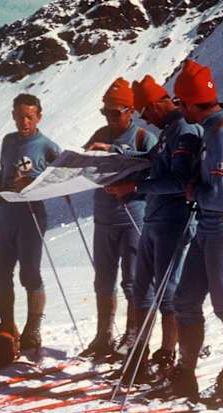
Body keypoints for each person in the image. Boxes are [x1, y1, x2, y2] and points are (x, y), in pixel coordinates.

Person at [148, 60, 223, 409]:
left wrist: (193, 192)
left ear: (193, 102)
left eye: (181, 104)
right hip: (211, 225)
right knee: (185, 299)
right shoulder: (213, 129)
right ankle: (186, 374)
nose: (180, 110)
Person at [104, 75, 202, 381]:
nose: (145, 117)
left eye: (146, 110)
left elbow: (178, 180)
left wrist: (135, 186)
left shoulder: (184, 130)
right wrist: (121, 154)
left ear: (161, 103)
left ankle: (167, 352)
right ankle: (140, 354)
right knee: (142, 287)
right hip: (154, 218)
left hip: (173, 221)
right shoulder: (167, 132)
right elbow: (154, 160)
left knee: (166, 291)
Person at [79, 77, 157, 359]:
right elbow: (84, 165)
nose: (110, 118)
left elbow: (155, 160)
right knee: (103, 280)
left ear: (130, 111)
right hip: (103, 218)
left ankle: (132, 334)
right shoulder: (100, 133)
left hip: (134, 218)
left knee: (133, 281)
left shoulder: (142, 137)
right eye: (106, 112)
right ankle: (103, 336)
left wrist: (114, 152)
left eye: (115, 112)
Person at [0, 93, 61, 350]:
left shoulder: (47, 146)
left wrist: (31, 184)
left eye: (29, 116)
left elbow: (59, 179)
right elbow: (3, 170)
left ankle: (32, 330)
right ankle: (7, 328)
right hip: (7, 216)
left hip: (31, 216)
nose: (24, 122)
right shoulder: (8, 141)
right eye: (19, 116)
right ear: (13, 116)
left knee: (29, 274)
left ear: (39, 116)